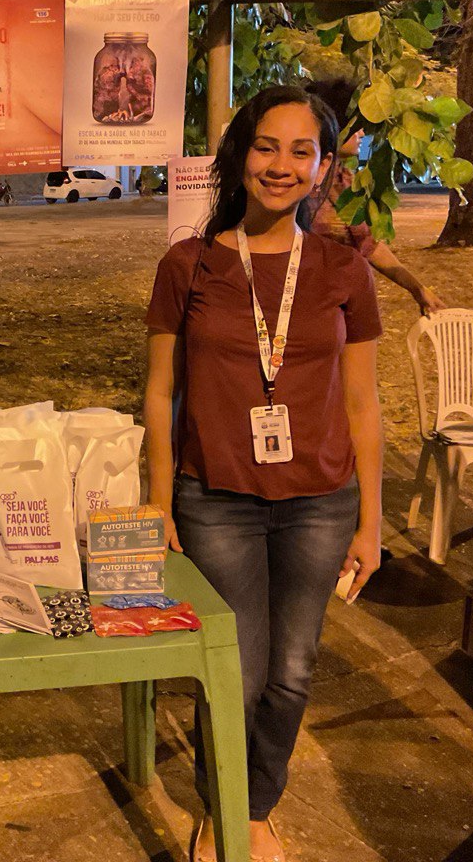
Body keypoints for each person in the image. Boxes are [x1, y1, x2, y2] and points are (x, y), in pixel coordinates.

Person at [143, 85, 384, 862]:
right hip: (216, 500)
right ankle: (227, 805)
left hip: (321, 503)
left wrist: (372, 524)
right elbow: (158, 390)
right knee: (236, 672)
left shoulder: (346, 271)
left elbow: (365, 403)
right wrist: (158, 502)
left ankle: (254, 804)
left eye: (300, 151)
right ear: (239, 156)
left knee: (292, 671)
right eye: (265, 146)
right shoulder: (189, 264)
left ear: (323, 168)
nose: (281, 165)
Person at [305, 79, 445, 316]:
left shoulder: (344, 179)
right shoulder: (300, 182)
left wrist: (416, 288)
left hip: (343, 305)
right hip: (304, 305)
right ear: (334, 126)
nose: (361, 133)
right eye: (356, 126)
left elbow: (368, 245)